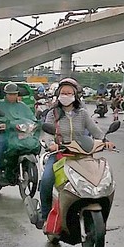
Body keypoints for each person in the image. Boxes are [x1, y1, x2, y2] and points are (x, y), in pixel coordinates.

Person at [36, 78, 106, 228]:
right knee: (47, 179)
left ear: (75, 95)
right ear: (58, 95)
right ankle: (45, 214)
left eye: (69, 92)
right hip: (59, 154)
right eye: (63, 93)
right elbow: (47, 133)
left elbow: (95, 131)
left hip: (81, 154)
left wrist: (105, 140)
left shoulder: (82, 114)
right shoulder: (53, 114)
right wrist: (51, 144)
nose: (66, 95)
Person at [0, 83, 34, 176]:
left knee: (30, 144)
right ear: (5, 94)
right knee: (3, 143)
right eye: (10, 94)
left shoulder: (22, 106)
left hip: (18, 132)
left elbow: (31, 117)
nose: (12, 96)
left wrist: (33, 124)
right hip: (3, 132)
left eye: (14, 94)